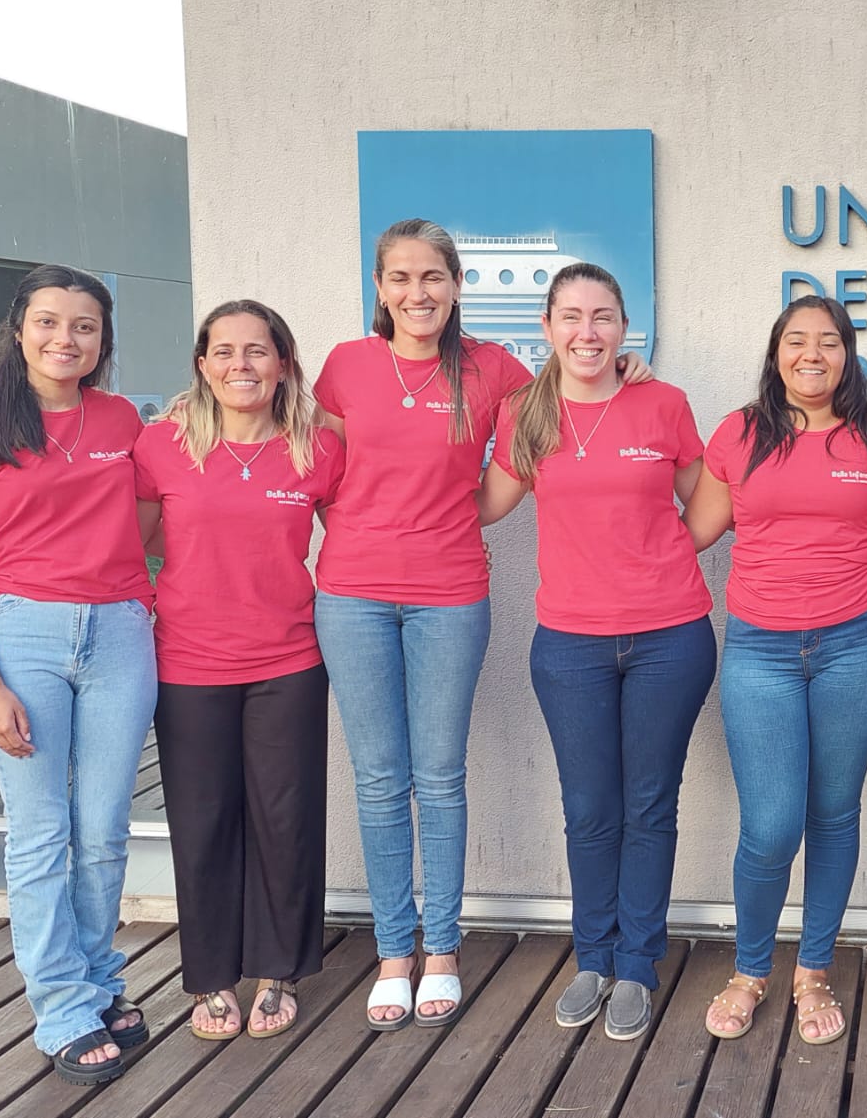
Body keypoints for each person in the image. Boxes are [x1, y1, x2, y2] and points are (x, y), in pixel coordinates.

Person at [313, 220, 650, 1031]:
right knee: (378, 777)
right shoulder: (345, 367)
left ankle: (441, 949)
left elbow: (575, 392)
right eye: (400, 277)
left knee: (440, 773)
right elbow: (309, 458)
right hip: (352, 592)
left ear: (458, 285)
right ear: (380, 285)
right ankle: (394, 950)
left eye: (433, 276)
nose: (417, 292)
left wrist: (634, 371)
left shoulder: (494, 370)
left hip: (449, 592)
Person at [0, 265, 156, 1086]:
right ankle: (60, 1006)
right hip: (21, 631)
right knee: (39, 832)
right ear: (18, 327)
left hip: (123, 632)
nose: (67, 339)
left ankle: (97, 980)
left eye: (85, 326)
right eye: (51, 322)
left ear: (103, 340)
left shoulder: (125, 418)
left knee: (102, 829)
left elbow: (153, 523)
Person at [479, 262, 715, 1042]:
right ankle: (594, 955)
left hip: (670, 636)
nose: (589, 331)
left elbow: (707, 496)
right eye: (572, 316)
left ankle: (639, 963)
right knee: (589, 807)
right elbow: (483, 503)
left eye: (604, 315)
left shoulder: (663, 403)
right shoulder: (526, 414)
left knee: (650, 804)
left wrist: (667, 552)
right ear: (546, 327)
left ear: (625, 327)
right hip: (571, 643)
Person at [682, 296, 867, 1046]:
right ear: (776, 351)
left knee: (834, 811)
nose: (811, 354)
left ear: (849, 355)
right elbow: (697, 529)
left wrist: (845, 567)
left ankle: (813, 969)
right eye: (796, 340)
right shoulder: (740, 432)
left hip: (857, 645)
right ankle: (752, 968)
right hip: (761, 649)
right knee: (772, 823)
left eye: (829, 342)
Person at [136, 300, 343, 1041]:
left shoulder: (318, 447)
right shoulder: (161, 444)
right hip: (189, 662)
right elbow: (127, 543)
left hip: (289, 660)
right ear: (201, 363)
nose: (240, 365)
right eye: (223, 351)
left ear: (283, 362)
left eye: (257, 351)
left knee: (285, 821)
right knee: (204, 822)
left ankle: (278, 970)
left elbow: (362, 533)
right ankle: (211, 977)